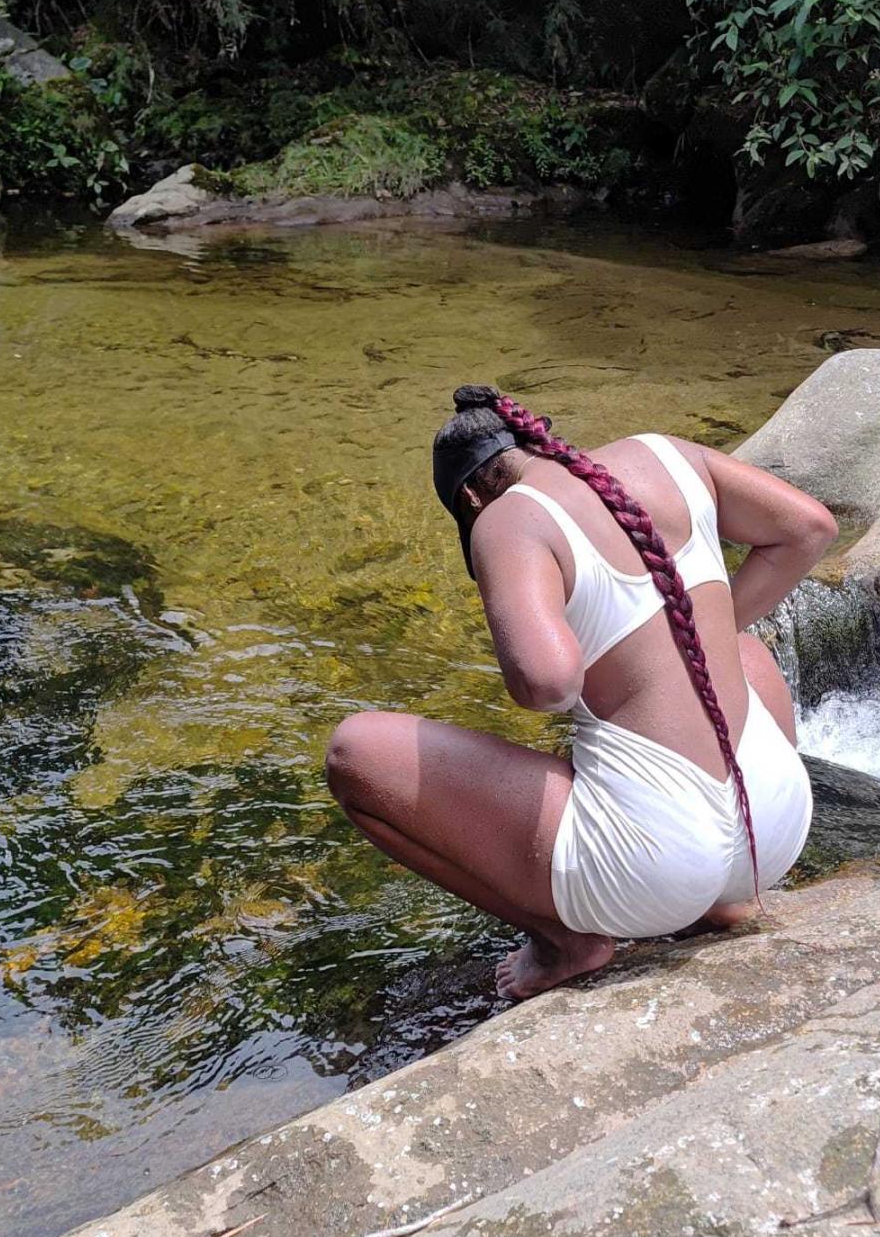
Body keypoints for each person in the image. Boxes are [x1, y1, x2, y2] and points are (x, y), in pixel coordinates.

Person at [325, 385, 839, 1000]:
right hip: (773, 830)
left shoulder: (507, 518)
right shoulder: (663, 452)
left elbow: (547, 682)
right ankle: (724, 904)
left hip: (656, 865)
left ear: (470, 496)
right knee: (743, 651)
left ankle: (563, 942)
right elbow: (809, 529)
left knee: (354, 752)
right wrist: (695, 637)